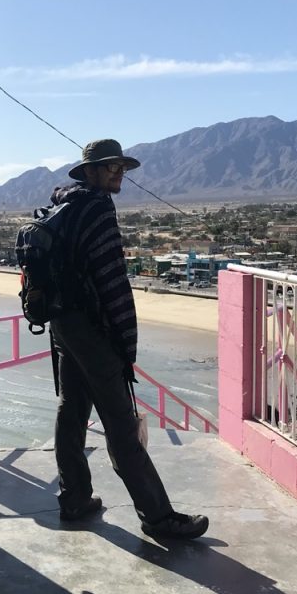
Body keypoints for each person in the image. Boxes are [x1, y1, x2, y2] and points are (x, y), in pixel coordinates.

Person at [49, 138, 209, 539]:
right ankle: (158, 517)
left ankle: (74, 498)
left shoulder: (64, 206)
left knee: (72, 411)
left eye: (121, 167)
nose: (118, 174)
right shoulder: (98, 207)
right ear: (90, 172)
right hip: (93, 329)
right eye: (111, 167)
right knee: (121, 423)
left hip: (63, 323)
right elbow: (112, 281)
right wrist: (124, 340)